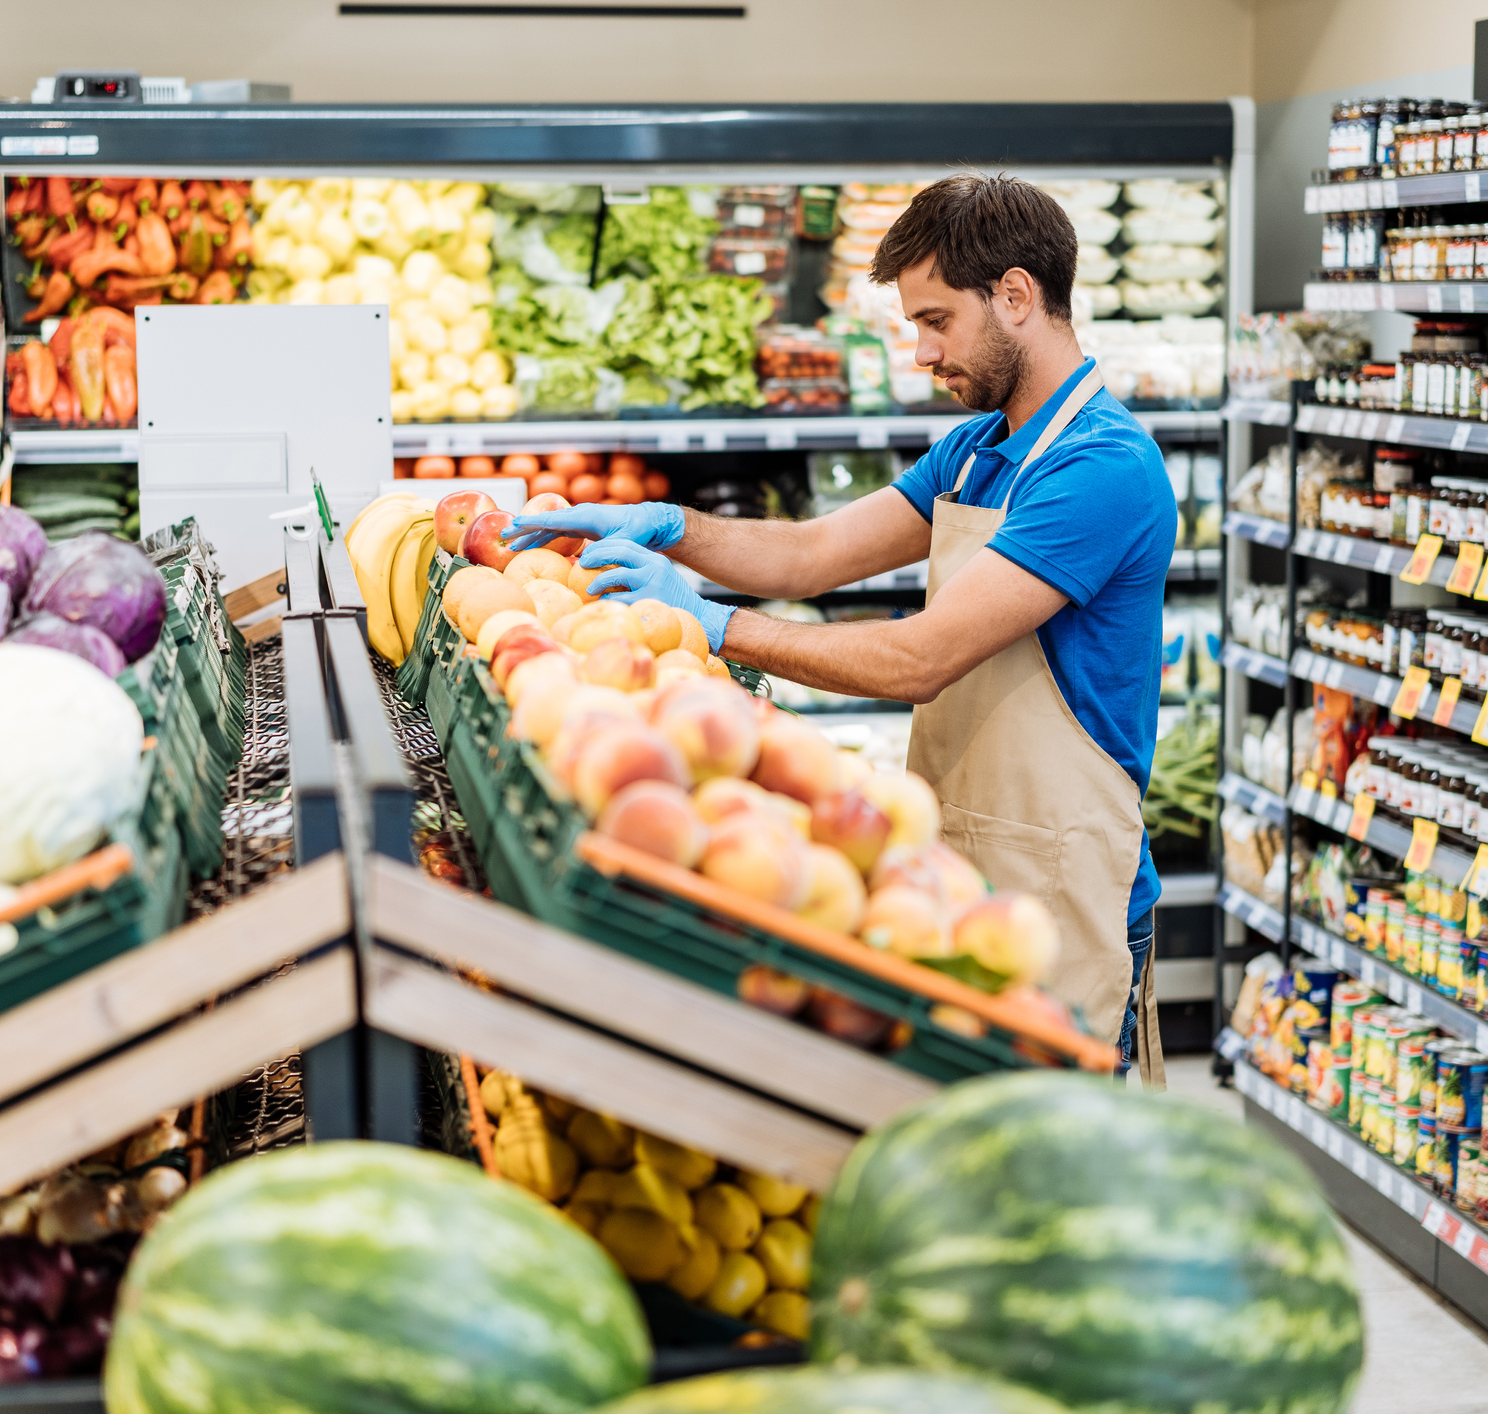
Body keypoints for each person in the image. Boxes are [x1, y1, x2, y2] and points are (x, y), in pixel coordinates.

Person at [503, 173, 1177, 1079]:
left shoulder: (1101, 468)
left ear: (1015, 296)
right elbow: (812, 555)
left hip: (1061, 882)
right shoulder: (977, 449)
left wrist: (708, 625)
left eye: (936, 321)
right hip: (957, 858)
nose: (923, 354)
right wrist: (672, 525)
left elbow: (916, 658)